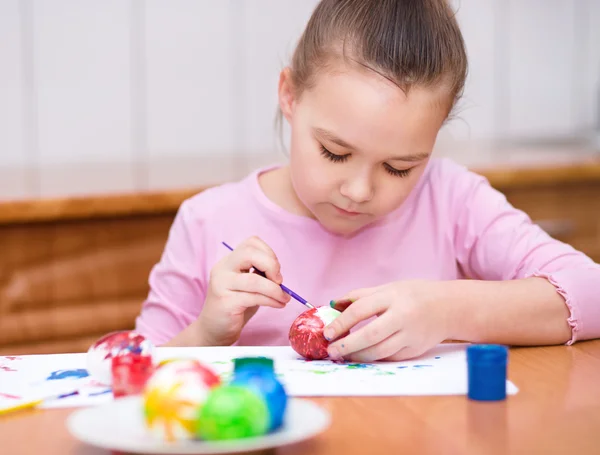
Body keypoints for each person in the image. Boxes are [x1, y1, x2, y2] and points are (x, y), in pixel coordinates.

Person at [135, 0, 600, 362]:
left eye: (399, 168)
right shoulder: (207, 221)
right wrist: (206, 335)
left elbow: (590, 290)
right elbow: (126, 380)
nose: (359, 191)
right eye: (335, 152)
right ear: (289, 95)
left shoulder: (452, 199)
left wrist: (444, 309)